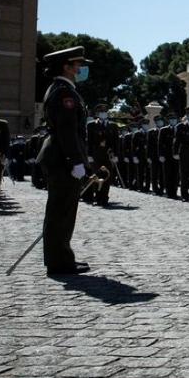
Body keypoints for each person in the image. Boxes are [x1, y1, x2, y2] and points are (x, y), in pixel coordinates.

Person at [36, 46, 91, 276]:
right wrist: (75, 162)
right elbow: (67, 131)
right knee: (61, 211)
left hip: (60, 158)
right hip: (62, 160)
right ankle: (59, 262)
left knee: (63, 211)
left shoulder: (62, 89)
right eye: (77, 64)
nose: (81, 68)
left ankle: (61, 257)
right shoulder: (63, 92)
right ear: (66, 67)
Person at [85, 104, 117, 206]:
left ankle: (105, 197)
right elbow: (89, 141)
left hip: (108, 156)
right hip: (96, 155)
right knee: (97, 176)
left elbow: (117, 142)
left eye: (105, 112)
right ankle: (98, 196)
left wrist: (116, 155)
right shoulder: (91, 125)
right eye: (101, 112)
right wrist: (89, 155)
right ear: (98, 114)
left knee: (107, 176)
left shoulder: (113, 126)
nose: (103, 114)